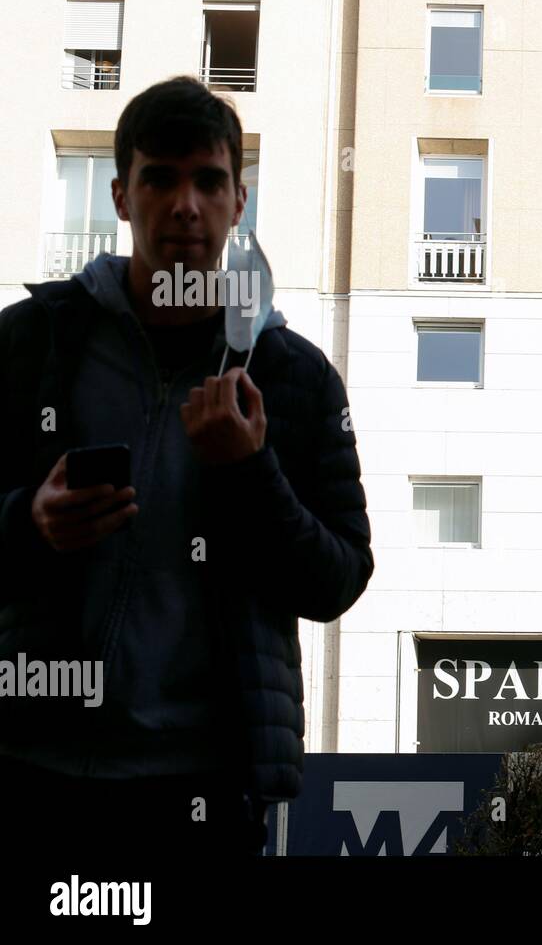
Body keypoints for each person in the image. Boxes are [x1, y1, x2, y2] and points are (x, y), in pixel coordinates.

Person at [0, 76, 374, 855]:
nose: (185, 205)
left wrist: (251, 471)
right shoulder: (29, 345)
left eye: (208, 180)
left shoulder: (296, 379)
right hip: (30, 767)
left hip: (205, 789)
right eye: (159, 178)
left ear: (241, 200)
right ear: (121, 195)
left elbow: (338, 578)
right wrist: (26, 522)